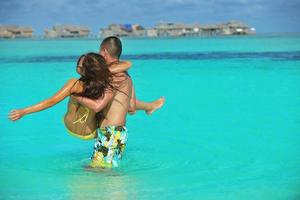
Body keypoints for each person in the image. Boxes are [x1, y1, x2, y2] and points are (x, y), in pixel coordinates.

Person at [97, 36, 165, 115]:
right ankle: (149, 106)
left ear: (104, 51)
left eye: (99, 51)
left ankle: (149, 106)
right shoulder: (125, 73)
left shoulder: (110, 72)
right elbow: (131, 108)